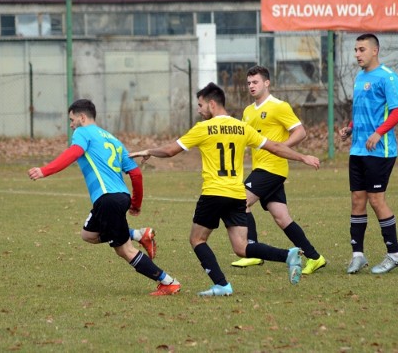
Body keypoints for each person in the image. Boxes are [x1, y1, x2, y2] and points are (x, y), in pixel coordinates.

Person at [130, 82, 320, 296]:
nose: (199, 110)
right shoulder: (242, 127)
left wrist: (148, 151)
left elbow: (170, 150)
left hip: (213, 193)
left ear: (212, 104)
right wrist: (302, 156)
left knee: (197, 239)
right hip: (237, 195)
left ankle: (221, 284)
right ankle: (288, 255)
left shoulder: (203, 128)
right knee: (241, 247)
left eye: (201, 105)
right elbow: (275, 147)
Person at [28, 99, 180, 296]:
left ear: (82, 117)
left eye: (72, 120)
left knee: (125, 250)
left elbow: (72, 154)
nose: (71, 124)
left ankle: (168, 282)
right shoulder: (114, 140)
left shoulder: (82, 133)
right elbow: (136, 174)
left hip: (107, 198)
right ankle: (138, 234)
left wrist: (44, 171)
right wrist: (135, 203)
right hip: (119, 197)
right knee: (88, 235)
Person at [230, 66, 327, 275]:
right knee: (282, 218)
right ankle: (315, 257)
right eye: (248, 83)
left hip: (272, 168)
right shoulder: (247, 112)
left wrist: (281, 148)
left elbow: (300, 132)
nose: (251, 86)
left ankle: (252, 251)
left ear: (267, 83)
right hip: (261, 168)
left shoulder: (279, 106)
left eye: (255, 82)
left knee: (241, 202)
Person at [339, 33, 398, 274]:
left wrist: (378, 133)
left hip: (380, 151)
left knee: (377, 200)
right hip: (358, 149)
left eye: (361, 49)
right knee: (357, 201)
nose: (357, 54)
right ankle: (358, 254)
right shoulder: (360, 77)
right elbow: (362, 112)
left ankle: (394, 253)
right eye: (355, 50)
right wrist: (350, 128)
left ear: (374, 51)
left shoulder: (388, 77)